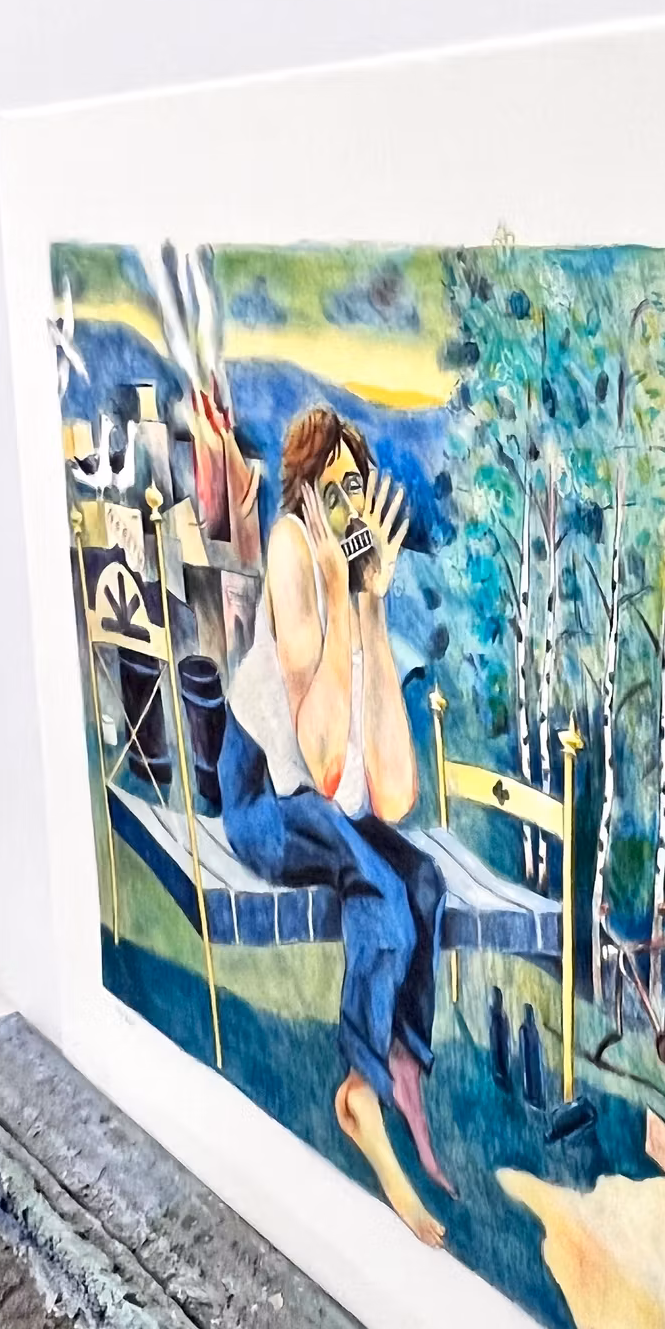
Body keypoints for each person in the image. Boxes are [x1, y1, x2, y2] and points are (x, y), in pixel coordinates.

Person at [219, 405, 455, 1246]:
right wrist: (330, 587)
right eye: (337, 489)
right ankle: (359, 1091)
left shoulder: (354, 579)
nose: (353, 508)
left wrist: (372, 606)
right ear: (308, 491)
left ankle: (400, 1064)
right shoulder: (292, 550)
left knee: (421, 880)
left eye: (359, 488)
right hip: (267, 800)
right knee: (381, 892)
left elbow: (391, 796)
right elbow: (319, 764)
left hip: (324, 808)